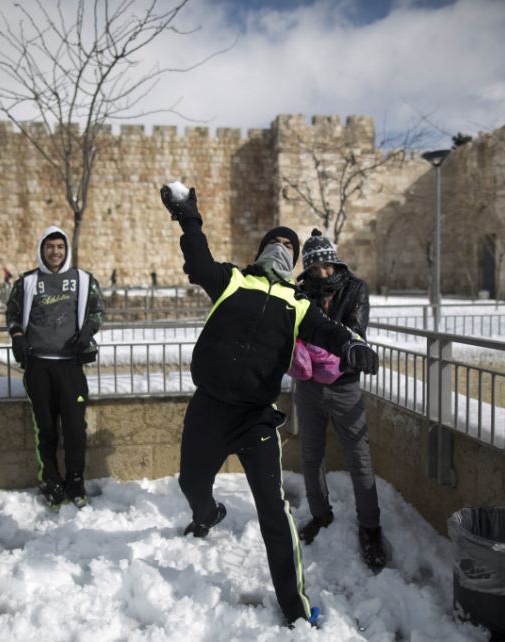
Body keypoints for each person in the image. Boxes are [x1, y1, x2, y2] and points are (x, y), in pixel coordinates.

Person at [160, 185, 378, 629]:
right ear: (261, 251)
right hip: (210, 408)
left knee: (274, 514)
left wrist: (352, 347)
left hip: (256, 417)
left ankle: (295, 607)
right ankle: (207, 515)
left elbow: (329, 331)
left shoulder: (297, 302)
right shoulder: (232, 281)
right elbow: (198, 262)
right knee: (190, 482)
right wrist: (188, 217)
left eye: (288, 248)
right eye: (275, 244)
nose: (281, 250)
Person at [292, 229, 388, 572]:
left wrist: (327, 347)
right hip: (309, 386)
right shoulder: (302, 293)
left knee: (359, 458)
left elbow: (355, 332)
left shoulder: (355, 289)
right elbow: (297, 331)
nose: (322, 274)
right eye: (315, 269)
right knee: (310, 453)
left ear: (334, 263)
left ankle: (371, 528)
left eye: (326, 267)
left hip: (345, 385)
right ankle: (320, 514)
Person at [5, 226, 104, 510]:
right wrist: (17, 336)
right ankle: (51, 481)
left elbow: (97, 311)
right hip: (39, 367)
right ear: (41, 250)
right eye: (50, 247)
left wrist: (87, 332)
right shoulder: (27, 283)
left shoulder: (83, 280)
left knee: (74, 429)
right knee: (45, 429)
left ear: (66, 250)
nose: (55, 252)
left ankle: (75, 481)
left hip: (71, 367)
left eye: (60, 247)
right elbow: (12, 313)